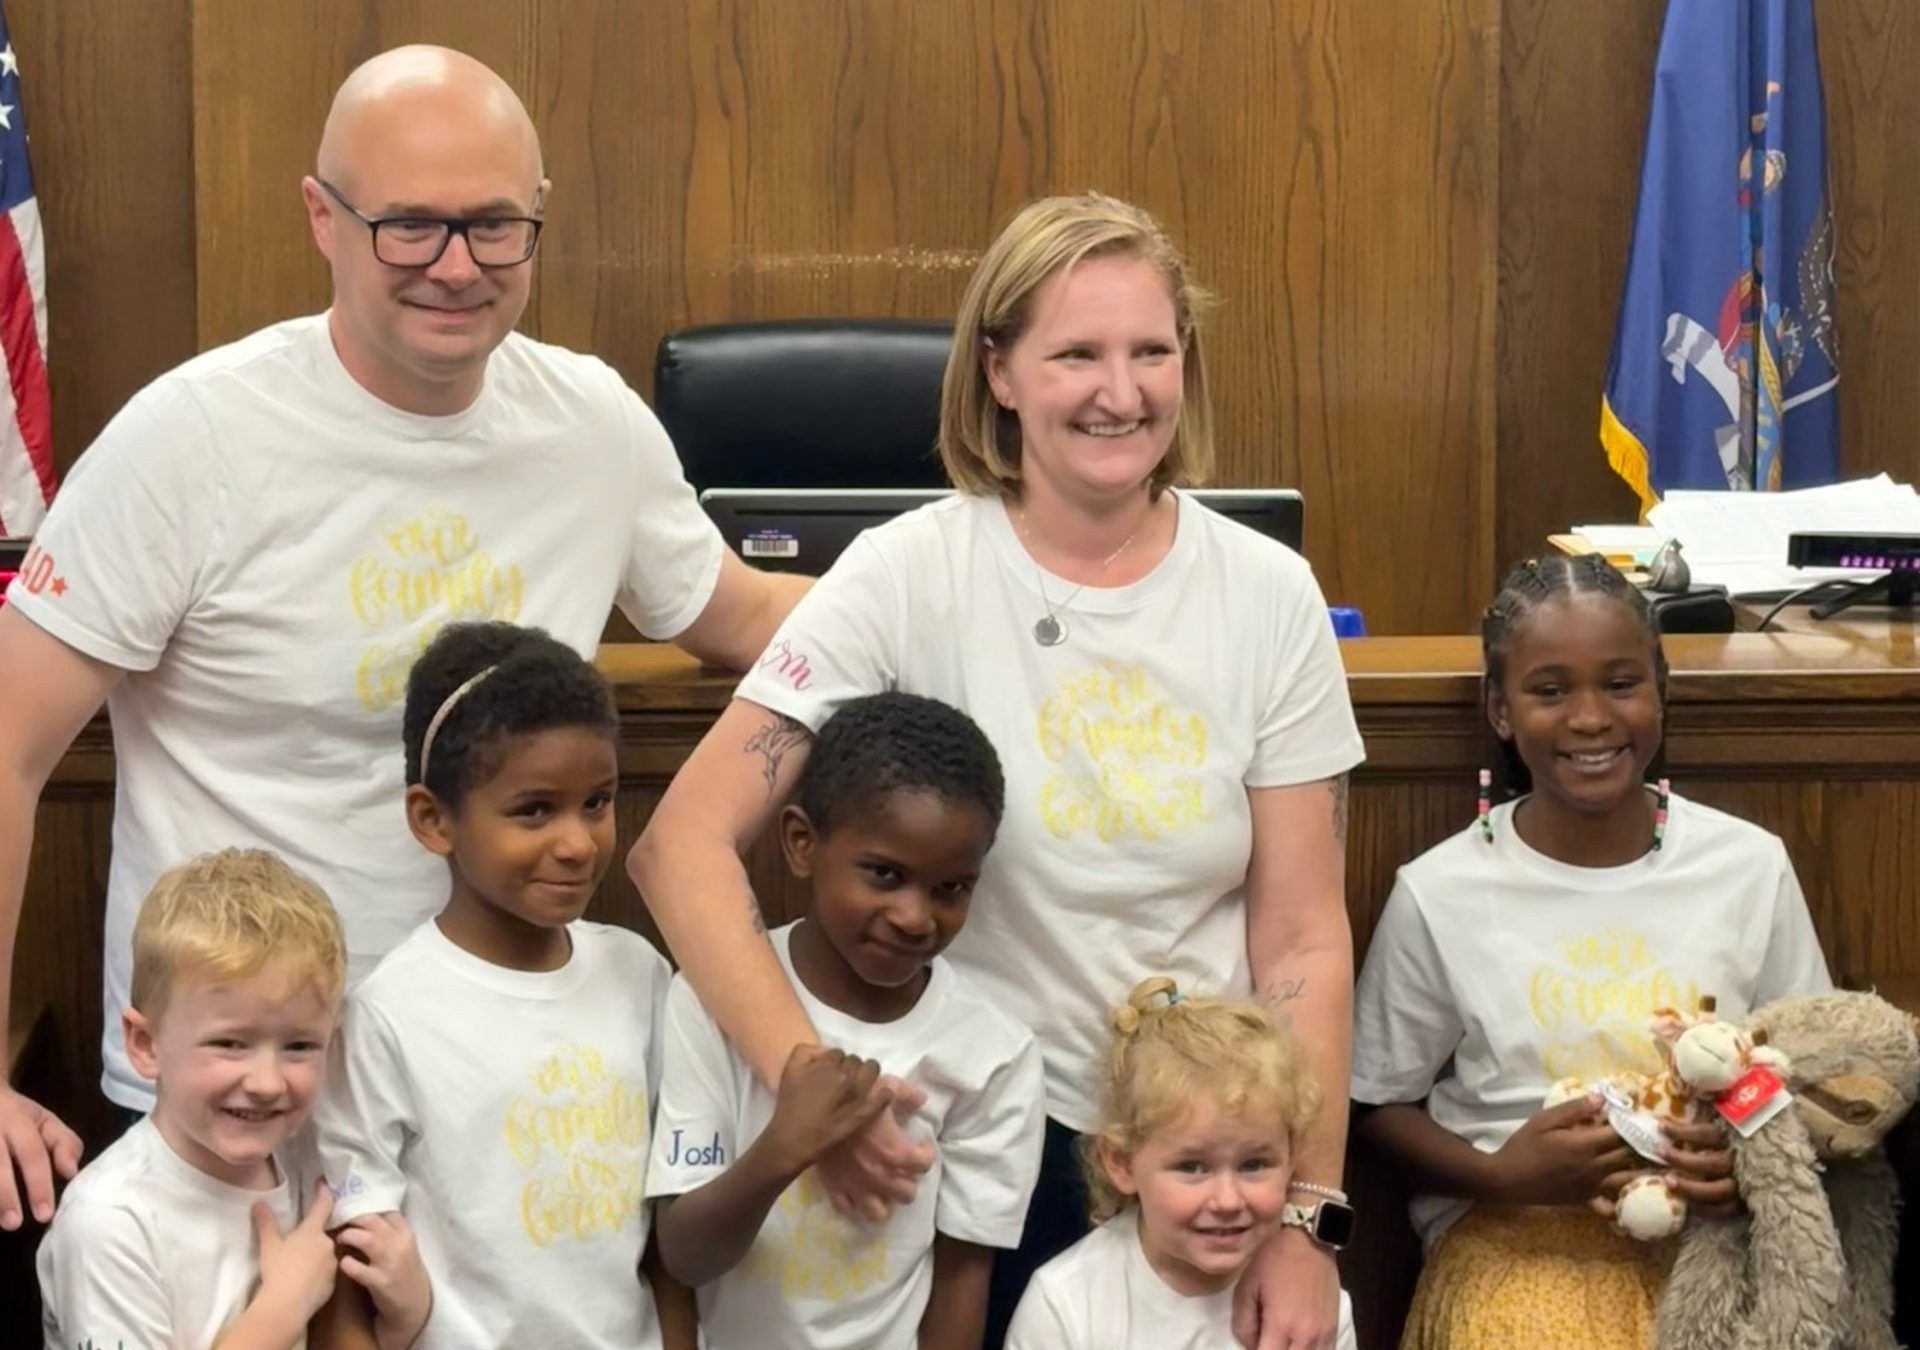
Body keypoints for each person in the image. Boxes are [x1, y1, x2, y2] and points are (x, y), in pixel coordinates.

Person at [0, 43, 805, 1223]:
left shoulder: (589, 424)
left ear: (536, 222)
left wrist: (967, 581)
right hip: (237, 1096)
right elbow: (12, 742)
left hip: (486, 1085)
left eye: (492, 227)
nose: (456, 266)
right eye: (409, 227)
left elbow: (741, 617)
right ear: (322, 219)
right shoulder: (190, 438)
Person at [631, 191, 1363, 1350]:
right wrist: (808, 1085)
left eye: (1150, 353)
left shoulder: (1268, 595)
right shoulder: (905, 574)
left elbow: (1305, 940)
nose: (1119, 393)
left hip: (1209, 1171)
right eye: (1076, 353)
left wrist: (1307, 1219)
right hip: (981, 1149)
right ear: (1000, 374)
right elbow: (679, 845)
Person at [1350, 553, 1833, 1350]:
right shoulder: (1441, 890)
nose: (1589, 718)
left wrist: (1747, 1164)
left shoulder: (1747, 865)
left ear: (1662, 690)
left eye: (1619, 683)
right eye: (1549, 690)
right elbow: (1374, 1102)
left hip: (1709, 1236)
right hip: (1517, 1234)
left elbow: (1808, 1065)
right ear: (1500, 711)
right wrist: (1500, 1175)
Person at [311, 622, 687, 1348]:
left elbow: (669, 1230)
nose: (578, 843)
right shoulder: (386, 1018)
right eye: (534, 810)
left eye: (598, 802)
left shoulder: (638, 974)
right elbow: (349, 1274)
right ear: (433, 819)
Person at [648, 691, 1045, 1350]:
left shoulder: (993, 1054)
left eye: (951, 888)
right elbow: (683, 1256)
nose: (917, 916)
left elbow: (959, 1285)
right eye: (884, 875)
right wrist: (787, 1145)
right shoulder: (707, 1000)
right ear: (802, 844)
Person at [38, 847, 427, 1350]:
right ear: (145, 1044)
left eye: (300, 1046)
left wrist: (405, 1318)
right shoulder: (110, 1221)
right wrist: (282, 1309)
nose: (267, 1082)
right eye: (229, 1043)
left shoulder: (311, 1170)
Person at [1006, 977, 1356, 1350]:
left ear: (1292, 1156)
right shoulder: (1067, 1303)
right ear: (1122, 1163)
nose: (1228, 1201)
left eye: (1253, 1164)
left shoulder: (1307, 1306)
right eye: (1192, 1167)